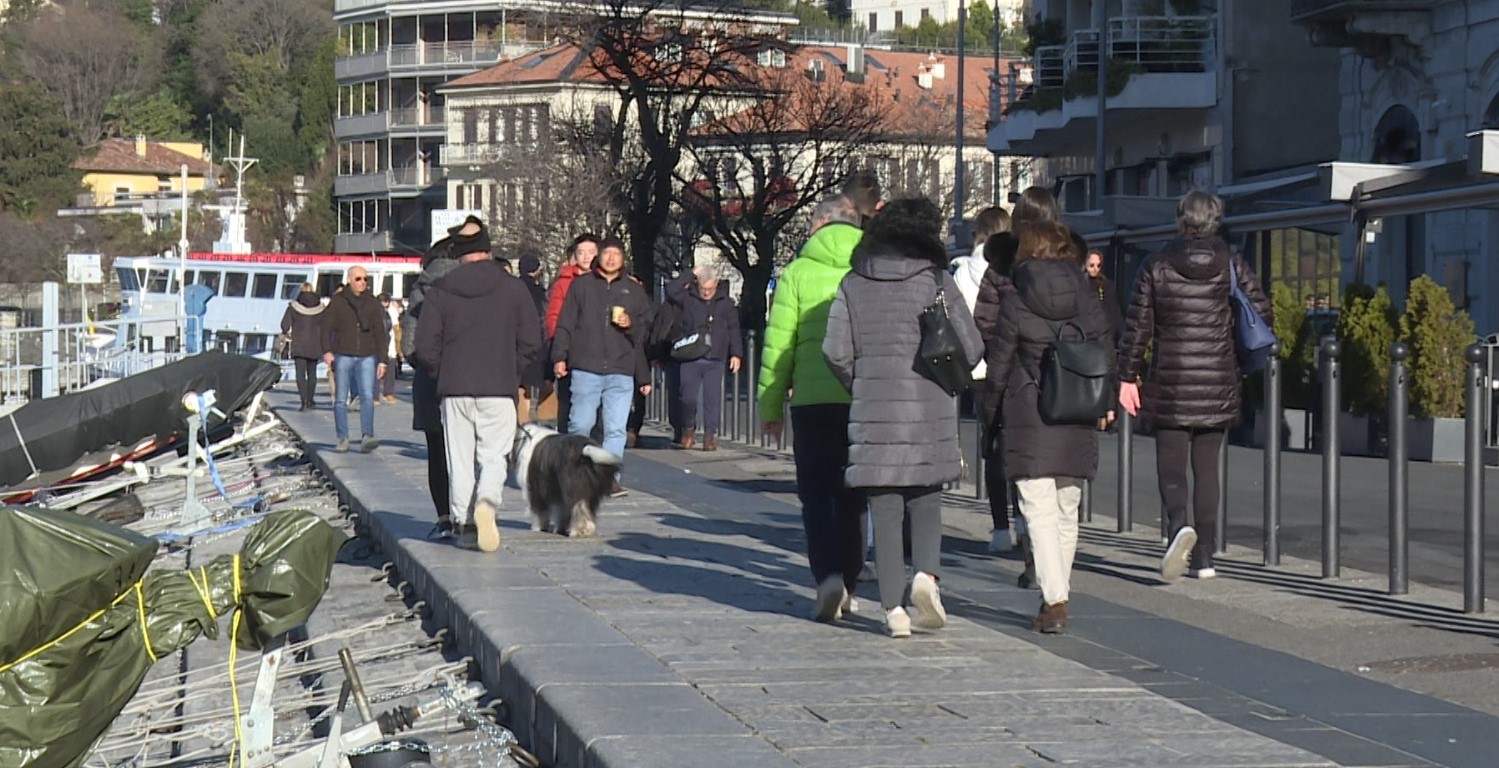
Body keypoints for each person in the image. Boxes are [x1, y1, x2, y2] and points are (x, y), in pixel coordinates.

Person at [822, 198, 983, 639]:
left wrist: (862, 380)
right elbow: (971, 346)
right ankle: (926, 576)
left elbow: (834, 350)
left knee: (885, 507)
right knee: (926, 500)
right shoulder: (936, 280)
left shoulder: (854, 283)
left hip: (874, 405)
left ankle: (893, 609)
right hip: (929, 404)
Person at [1118, 191, 1272, 581]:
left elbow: (1138, 328)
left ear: (1180, 218)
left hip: (1170, 378)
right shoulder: (1232, 264)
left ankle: (1177, 527)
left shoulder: (1155, 265)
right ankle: (1205, 555)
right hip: (1218, 379)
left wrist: (1127, 375)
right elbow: (1261, 312)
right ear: (1215, 220)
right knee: (1207, 469)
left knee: (1171, 467)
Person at [987, 222, 1115, 634]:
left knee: (1037, 508)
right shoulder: (1085, 294)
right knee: (1066, 508)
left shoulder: (1017, 296)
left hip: (1030, 413)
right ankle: (1057, 593)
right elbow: (1105, 346)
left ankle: (1055, 599)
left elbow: (1000, 364)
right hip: (1078, 407)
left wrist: (989, 414)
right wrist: (1106, 400)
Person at [760, 194, 866, 622]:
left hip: (810, 400)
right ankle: (853, 584)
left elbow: (778, 343)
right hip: (861, 397)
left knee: (816, 496)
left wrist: (770, 405)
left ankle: (826, 577)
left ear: (821, 223)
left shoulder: (798, 273)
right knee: (854, 497)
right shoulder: (869, 269)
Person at [415, 227, 542, 553]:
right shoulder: (512, 289)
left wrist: (442, 372)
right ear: (487, 249)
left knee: (458, 458)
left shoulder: (441, 290)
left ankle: (462, 519)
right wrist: (511, 369)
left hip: (455, 387)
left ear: (458, 253)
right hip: (498, 386)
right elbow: (531, 339)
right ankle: (487, 502)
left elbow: (425, 347)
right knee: (494, 456)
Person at [551, 236, 653, 496]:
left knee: (615, 428)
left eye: (616, 255)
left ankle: (609, 478)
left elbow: (645, 332)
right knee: (580, 425)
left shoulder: (633, 290)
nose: (611, 259)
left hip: (621, 370)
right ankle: (572, 473)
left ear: (623, 259)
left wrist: (631, 324)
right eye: (606, 253)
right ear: (599, 257)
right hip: (586, 367)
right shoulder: (582, 286)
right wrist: (560, 356)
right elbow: (566, 323)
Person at [400, 218, 477, 537]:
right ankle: (469, 514)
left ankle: (445, 517)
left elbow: (410, 341)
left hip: (431, 377)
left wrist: (424, 362)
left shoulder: (424, 286)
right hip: (470, 376)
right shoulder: (476, 285)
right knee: (468, 450)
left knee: (436, 450)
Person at [951, 207, 1016, 554]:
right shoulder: (1012, 268)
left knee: (991, 446)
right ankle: (1022, 518)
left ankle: (1000, 527)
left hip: (978, 369)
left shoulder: (962, 272)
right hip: (1013, 364)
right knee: (1018, 441)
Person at [666, 265, 742, 451]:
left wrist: (736, 353)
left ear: (716, 284)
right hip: (691, 355)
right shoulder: (688, 298)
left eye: (710, 289)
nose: (706, 292)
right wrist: (690, 273)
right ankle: (688, 429)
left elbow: (733, 328)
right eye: (703, 289)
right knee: (687, 397)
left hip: (716, 356)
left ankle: (709, 436)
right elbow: (671, 290)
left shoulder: (726, 303)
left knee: (712, 399)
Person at [323, 266, 388, 453]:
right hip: (343, 353)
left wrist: (382, 360)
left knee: (367, 396)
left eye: (365, 279)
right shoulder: (338, 301)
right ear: (350, 280)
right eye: (359, 279)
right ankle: (343, 438)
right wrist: (327, 350)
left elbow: (380, 332)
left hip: (367, 354)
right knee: (341, 398)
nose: (363, 282)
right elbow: (326, 327)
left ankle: (367, 435)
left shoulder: (372, 302)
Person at [546, 234, 599, 434]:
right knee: (568, 402)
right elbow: (554, 316)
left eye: (591, 252)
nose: (586, 257)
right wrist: (559, 346)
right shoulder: (564, 282)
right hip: (570, 350)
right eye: (581, 253)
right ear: (574, 256)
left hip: (599, 352)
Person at [280, 282, 325, 411]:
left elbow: (284, 325)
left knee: (300, 374)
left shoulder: (293, 307)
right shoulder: (321, 308)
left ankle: (303, 401)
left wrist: (287, 333)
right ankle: (310, 400)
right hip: (315, 344)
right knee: (312, 373)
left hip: (299, 344)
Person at [516, 252, 549, 422]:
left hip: (513, 344)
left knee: (517, 386)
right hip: (534, 344)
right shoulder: (540, 293)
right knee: (531, 388)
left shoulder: (511, 288)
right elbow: (544, 320)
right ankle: (528, 419)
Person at [1085, 250, 1126, 341]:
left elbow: (1115, 312)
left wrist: (1124, 335)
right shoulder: (1079, 284)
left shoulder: (1106, 285)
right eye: (1092, 265)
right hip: (1087, 336)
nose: (1095, 268)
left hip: (1105, 335)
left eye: (1098, 265)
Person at [378, 293, 398, 404]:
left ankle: (389, 392)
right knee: (376, 370)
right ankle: (374, 395)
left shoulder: (393, 312)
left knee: (390, 369)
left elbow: (396, 328)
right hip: (378, 344)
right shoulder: (375, 311)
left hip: (390, 345)